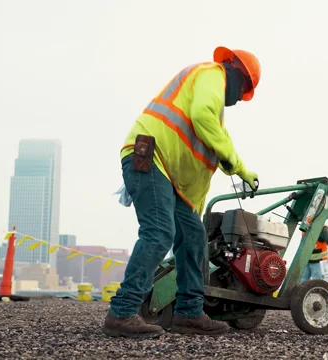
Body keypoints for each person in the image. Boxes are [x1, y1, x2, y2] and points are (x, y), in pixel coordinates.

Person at [103, 46, 262, 339]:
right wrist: (234, 162)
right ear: (237, 74)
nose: (240, 99)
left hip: (170, 177)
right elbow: (202, 117)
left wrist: (239, 168)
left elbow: (217, 140)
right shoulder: (210, 75)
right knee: (159, 232)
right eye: (244, 91)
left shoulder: (215, 106)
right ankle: (122, 313)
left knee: (193, 236)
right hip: (150, 156)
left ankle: (189, 313)